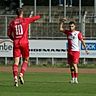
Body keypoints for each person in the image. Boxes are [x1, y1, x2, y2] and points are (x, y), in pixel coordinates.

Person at [7, 8, 41, 87]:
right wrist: (39, 15)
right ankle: (21, 74)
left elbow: (9, 34)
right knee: (26, 59)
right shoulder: (26, 20)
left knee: (16, 62)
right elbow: (35, 18)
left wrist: (14, 39)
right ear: (22, 13)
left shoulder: (12, 23)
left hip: (16, 43)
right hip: (24, 43)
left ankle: (15, 77)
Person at [59, 18, 89, 84]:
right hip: (69, 51)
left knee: (75, 65)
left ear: (74, 26)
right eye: (70, 26)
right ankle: (72, 78)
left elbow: (82, 41)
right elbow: (60, 29)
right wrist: (62, 22)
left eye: (72, 26)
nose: (71, 27)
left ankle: (76, 79)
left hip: (76, 51)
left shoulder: (78, 33)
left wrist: (86, 49)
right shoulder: (68, 32)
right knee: (71, 65)